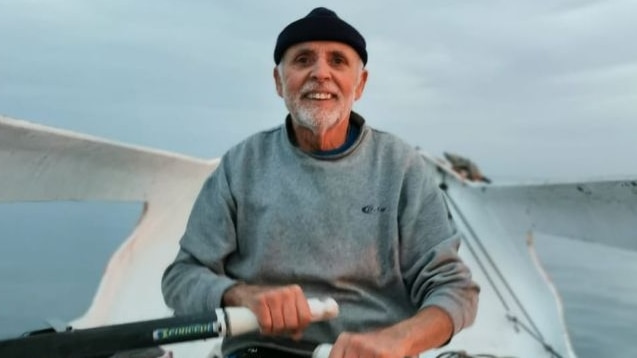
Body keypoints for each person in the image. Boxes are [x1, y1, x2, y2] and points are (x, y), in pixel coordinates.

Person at [162, 7, 479, 358]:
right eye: (303, 60)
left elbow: (455, 288)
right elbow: (181, 278)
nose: (320, 73)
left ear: (360, 84)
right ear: (279, 81)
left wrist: (400, 340)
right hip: (261, 348)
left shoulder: (401, 167)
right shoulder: (241, 165)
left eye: (338, 61)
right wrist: (240, 295)